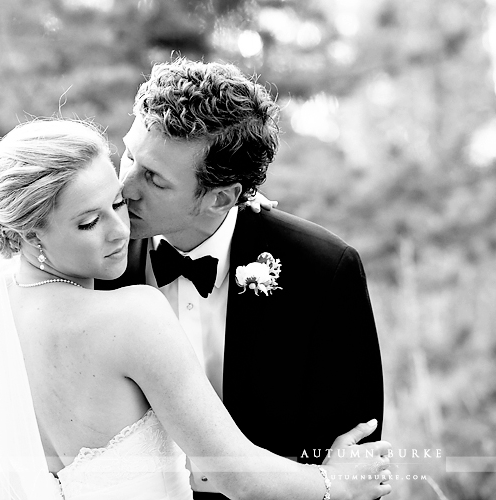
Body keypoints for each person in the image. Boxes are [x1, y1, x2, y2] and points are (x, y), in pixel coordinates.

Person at [0, 119, 392, 500]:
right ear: (28, 232)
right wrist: (334, 484)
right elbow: (232, 471)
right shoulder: (133, 316)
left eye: (118, 204)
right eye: (88, 223)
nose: (120, 230)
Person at [96, 58, 385, 498]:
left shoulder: (323, 270)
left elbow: (355, 466)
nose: (125, 186)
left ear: (220, 197)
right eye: (130, 155)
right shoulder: (89, 264)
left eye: (154, 178)